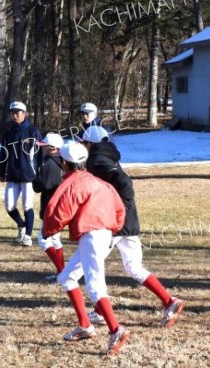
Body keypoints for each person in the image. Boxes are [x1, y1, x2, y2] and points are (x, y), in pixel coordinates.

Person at [81, 125, 186, 328]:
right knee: (133, 267)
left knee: (92, 265)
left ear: (91, 144)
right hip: (127, 222)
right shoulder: (107, 156)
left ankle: (101, 312)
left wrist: (121, 210)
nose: (83, 146)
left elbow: (125, 183)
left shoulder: (97, 160)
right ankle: (169, 301)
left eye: (84, 143)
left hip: (116, 223)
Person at [43, 142, 129, 356]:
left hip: (92, 235)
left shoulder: (71, 184)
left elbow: (58, 211)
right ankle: (85, 325)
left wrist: (48, 230)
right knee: (67, 277)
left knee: (94, 284)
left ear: (64, 163)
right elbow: (119, 208)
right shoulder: (99, 182)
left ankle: (116, 330)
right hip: (104, 233)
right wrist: (115, 225)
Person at [0, 101, 43, 246]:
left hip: (28, 176)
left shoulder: (33, 132)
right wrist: (1, 171)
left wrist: (41, 172)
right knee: (9, 206)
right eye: (13, 112)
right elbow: (3, 154)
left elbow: (41, 154)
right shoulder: (8, 133)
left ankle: (28, 236)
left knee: (27, 205)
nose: (15, 115)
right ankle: (22, 225)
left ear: (25, 113)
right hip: (12, 175)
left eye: (18, 112)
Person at [32, 133, 65, 282]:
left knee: (43, 240)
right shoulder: (62, 161)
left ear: (51, 147)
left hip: (51, 207)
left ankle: (63, 272)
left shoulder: (49, 163)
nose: (43, 149)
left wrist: (35, 177)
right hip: (60, 206)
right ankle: (61, 272)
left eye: (44, 146)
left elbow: (40, 185)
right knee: (55, 239)